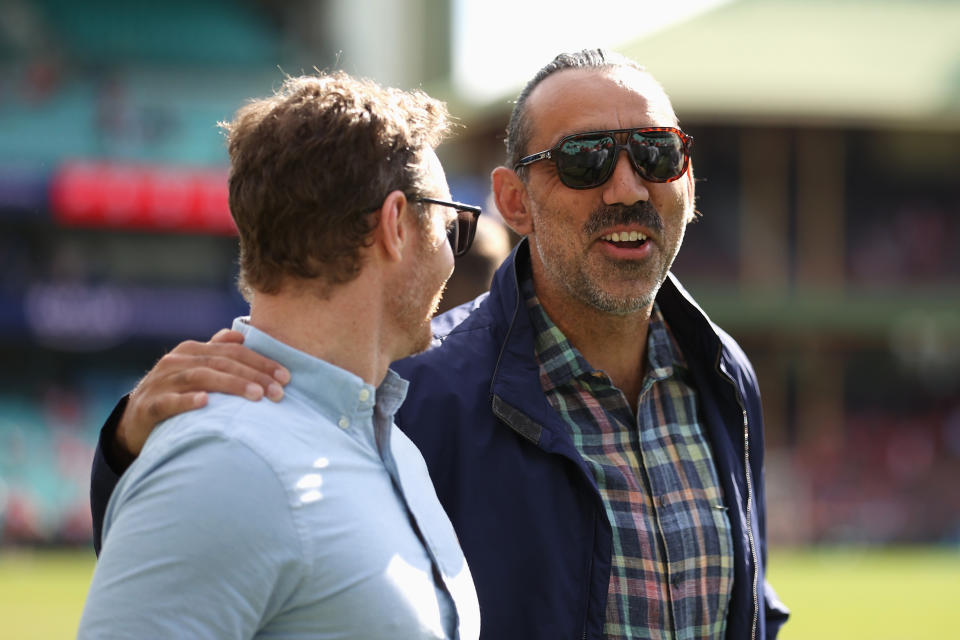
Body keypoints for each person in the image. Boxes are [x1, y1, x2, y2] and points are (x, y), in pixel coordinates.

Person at [89, 50, 789, 639]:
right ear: (512, 202)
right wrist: (125, 451)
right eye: (585, 161)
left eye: (657, 154)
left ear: (687, 180)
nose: (629, 185)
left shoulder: (724, 376)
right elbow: (198, 539)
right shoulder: (414, 396)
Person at [79, 71, 482, 639]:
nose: (450, 257)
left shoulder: (391, 447)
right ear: (395, 224)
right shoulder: (226, 459)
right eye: (448, 225)